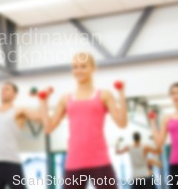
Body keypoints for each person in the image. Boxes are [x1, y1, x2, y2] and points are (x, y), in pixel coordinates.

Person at [40, 52, 127, 189]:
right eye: (75, 67)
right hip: (74, 161)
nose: (78, 70)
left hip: (100, 159)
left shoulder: (103, 95)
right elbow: (48, 128)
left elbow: (122, 123)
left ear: (93, 68)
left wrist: (121, 94)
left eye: (83, 66)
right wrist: (44, 103)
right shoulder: (65, 98)